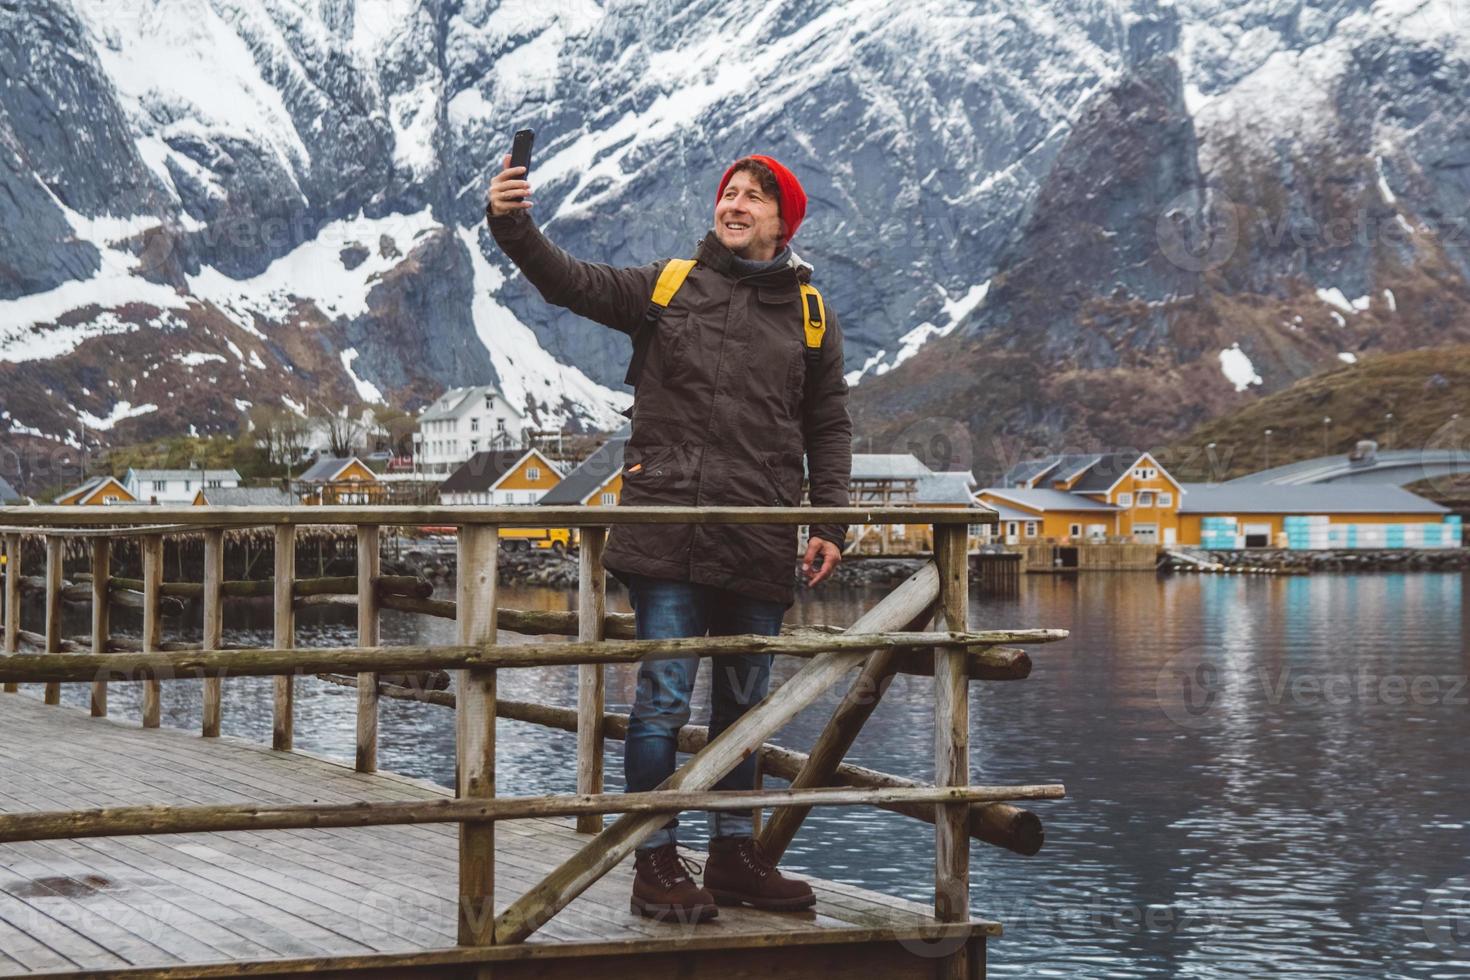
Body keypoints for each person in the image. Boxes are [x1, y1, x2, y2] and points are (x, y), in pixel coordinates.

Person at [485, 150, 852, 923]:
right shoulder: (667, 285)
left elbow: (828, 424)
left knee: (744, 710)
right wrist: (513, 226)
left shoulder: (812, 315)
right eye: (728, 191)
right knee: (661, 702)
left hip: (757, 536)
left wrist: (830, 521)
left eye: (754, 196)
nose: (735, 202)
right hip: (667, 532)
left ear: (784, 222)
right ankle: (654, 860)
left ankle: (732, 858)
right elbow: (567, 281)